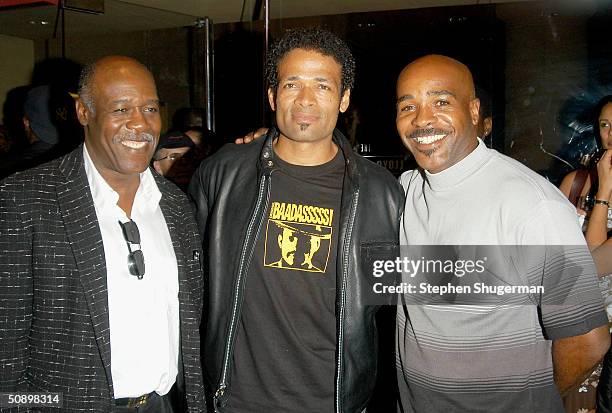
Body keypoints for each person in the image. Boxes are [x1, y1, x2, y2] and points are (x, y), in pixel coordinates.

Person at [189, 27, 403, 413]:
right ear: (273, 95)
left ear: (344, 99)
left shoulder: (381, 193)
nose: (305, 99)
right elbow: (190, 285)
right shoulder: (223, 174)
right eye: (292, 84)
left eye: (322, 85)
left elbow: (387, 302)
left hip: (334, 402)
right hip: (234, 400)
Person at [394, 54, 610, 412]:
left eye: (441, 101)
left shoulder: (530, 203)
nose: (422, 119)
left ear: (475, 111)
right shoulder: (407, 189)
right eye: (407, 106)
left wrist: (523, 401)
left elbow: (587, 339)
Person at [0, 56, 205, 412]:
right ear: (83, 112)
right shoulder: (24, 199)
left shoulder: (176, 207)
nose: (140, 123)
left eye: (150, 108)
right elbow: (6, 350)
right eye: (122, 109)